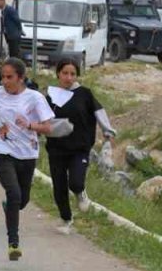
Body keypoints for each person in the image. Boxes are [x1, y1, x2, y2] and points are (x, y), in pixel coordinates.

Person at [0, 57, 55, 260]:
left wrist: (30, 125)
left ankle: (11, 207)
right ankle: (13, 242)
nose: (5, 81)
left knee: (22, 200)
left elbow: (49, 127)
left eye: (10, 77)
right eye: (3, 77)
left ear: (21, 78)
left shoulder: (34, 98)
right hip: (2, 150)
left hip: (27, 153)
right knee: (14, 193)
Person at [46, 58, 115, 234]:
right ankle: (66, 219)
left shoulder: (85, 94)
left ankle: (80, 192)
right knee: (59, 186)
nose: (68, 78)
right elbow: (41, 118)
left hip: (79, 148)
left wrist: (107, 130)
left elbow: (99, 111)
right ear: (58, 74)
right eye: (65, 73)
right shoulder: (51, 96)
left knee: (75, 182)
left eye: (72, 74)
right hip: (56, 148)